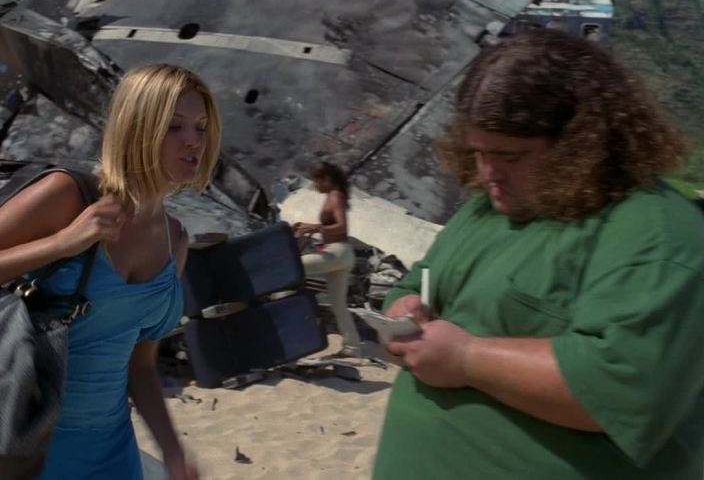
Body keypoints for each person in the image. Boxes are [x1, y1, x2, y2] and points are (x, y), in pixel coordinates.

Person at [373, 29, 704, 479]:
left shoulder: (655, 232)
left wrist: (467, 358)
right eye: (479, 152)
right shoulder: (488, 208)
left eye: (510, 156)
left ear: (584, 144)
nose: (488, 173)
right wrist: (402, 309)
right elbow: (420, 280)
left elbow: (621, 385)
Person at [0, 64, 222, 480]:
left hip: (112, 457)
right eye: (174, 126)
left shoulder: (175, 240)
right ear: (137, 128)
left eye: (201, 127)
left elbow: (140, 366)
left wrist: (172, 450)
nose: (193, 140)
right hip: (20, 453)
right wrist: (62, 243)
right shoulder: (67, 196)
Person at [293, 161, 363, 357]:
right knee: (338, 304)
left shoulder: (335, 196)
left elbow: (342, 226)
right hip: (341, 254)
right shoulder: (333, 196)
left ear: (327, 179)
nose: (315, 184)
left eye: (317, 180)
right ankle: (353, 348)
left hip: (337, 252)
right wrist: (309, 229)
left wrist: (315, 227)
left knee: (291, 269)